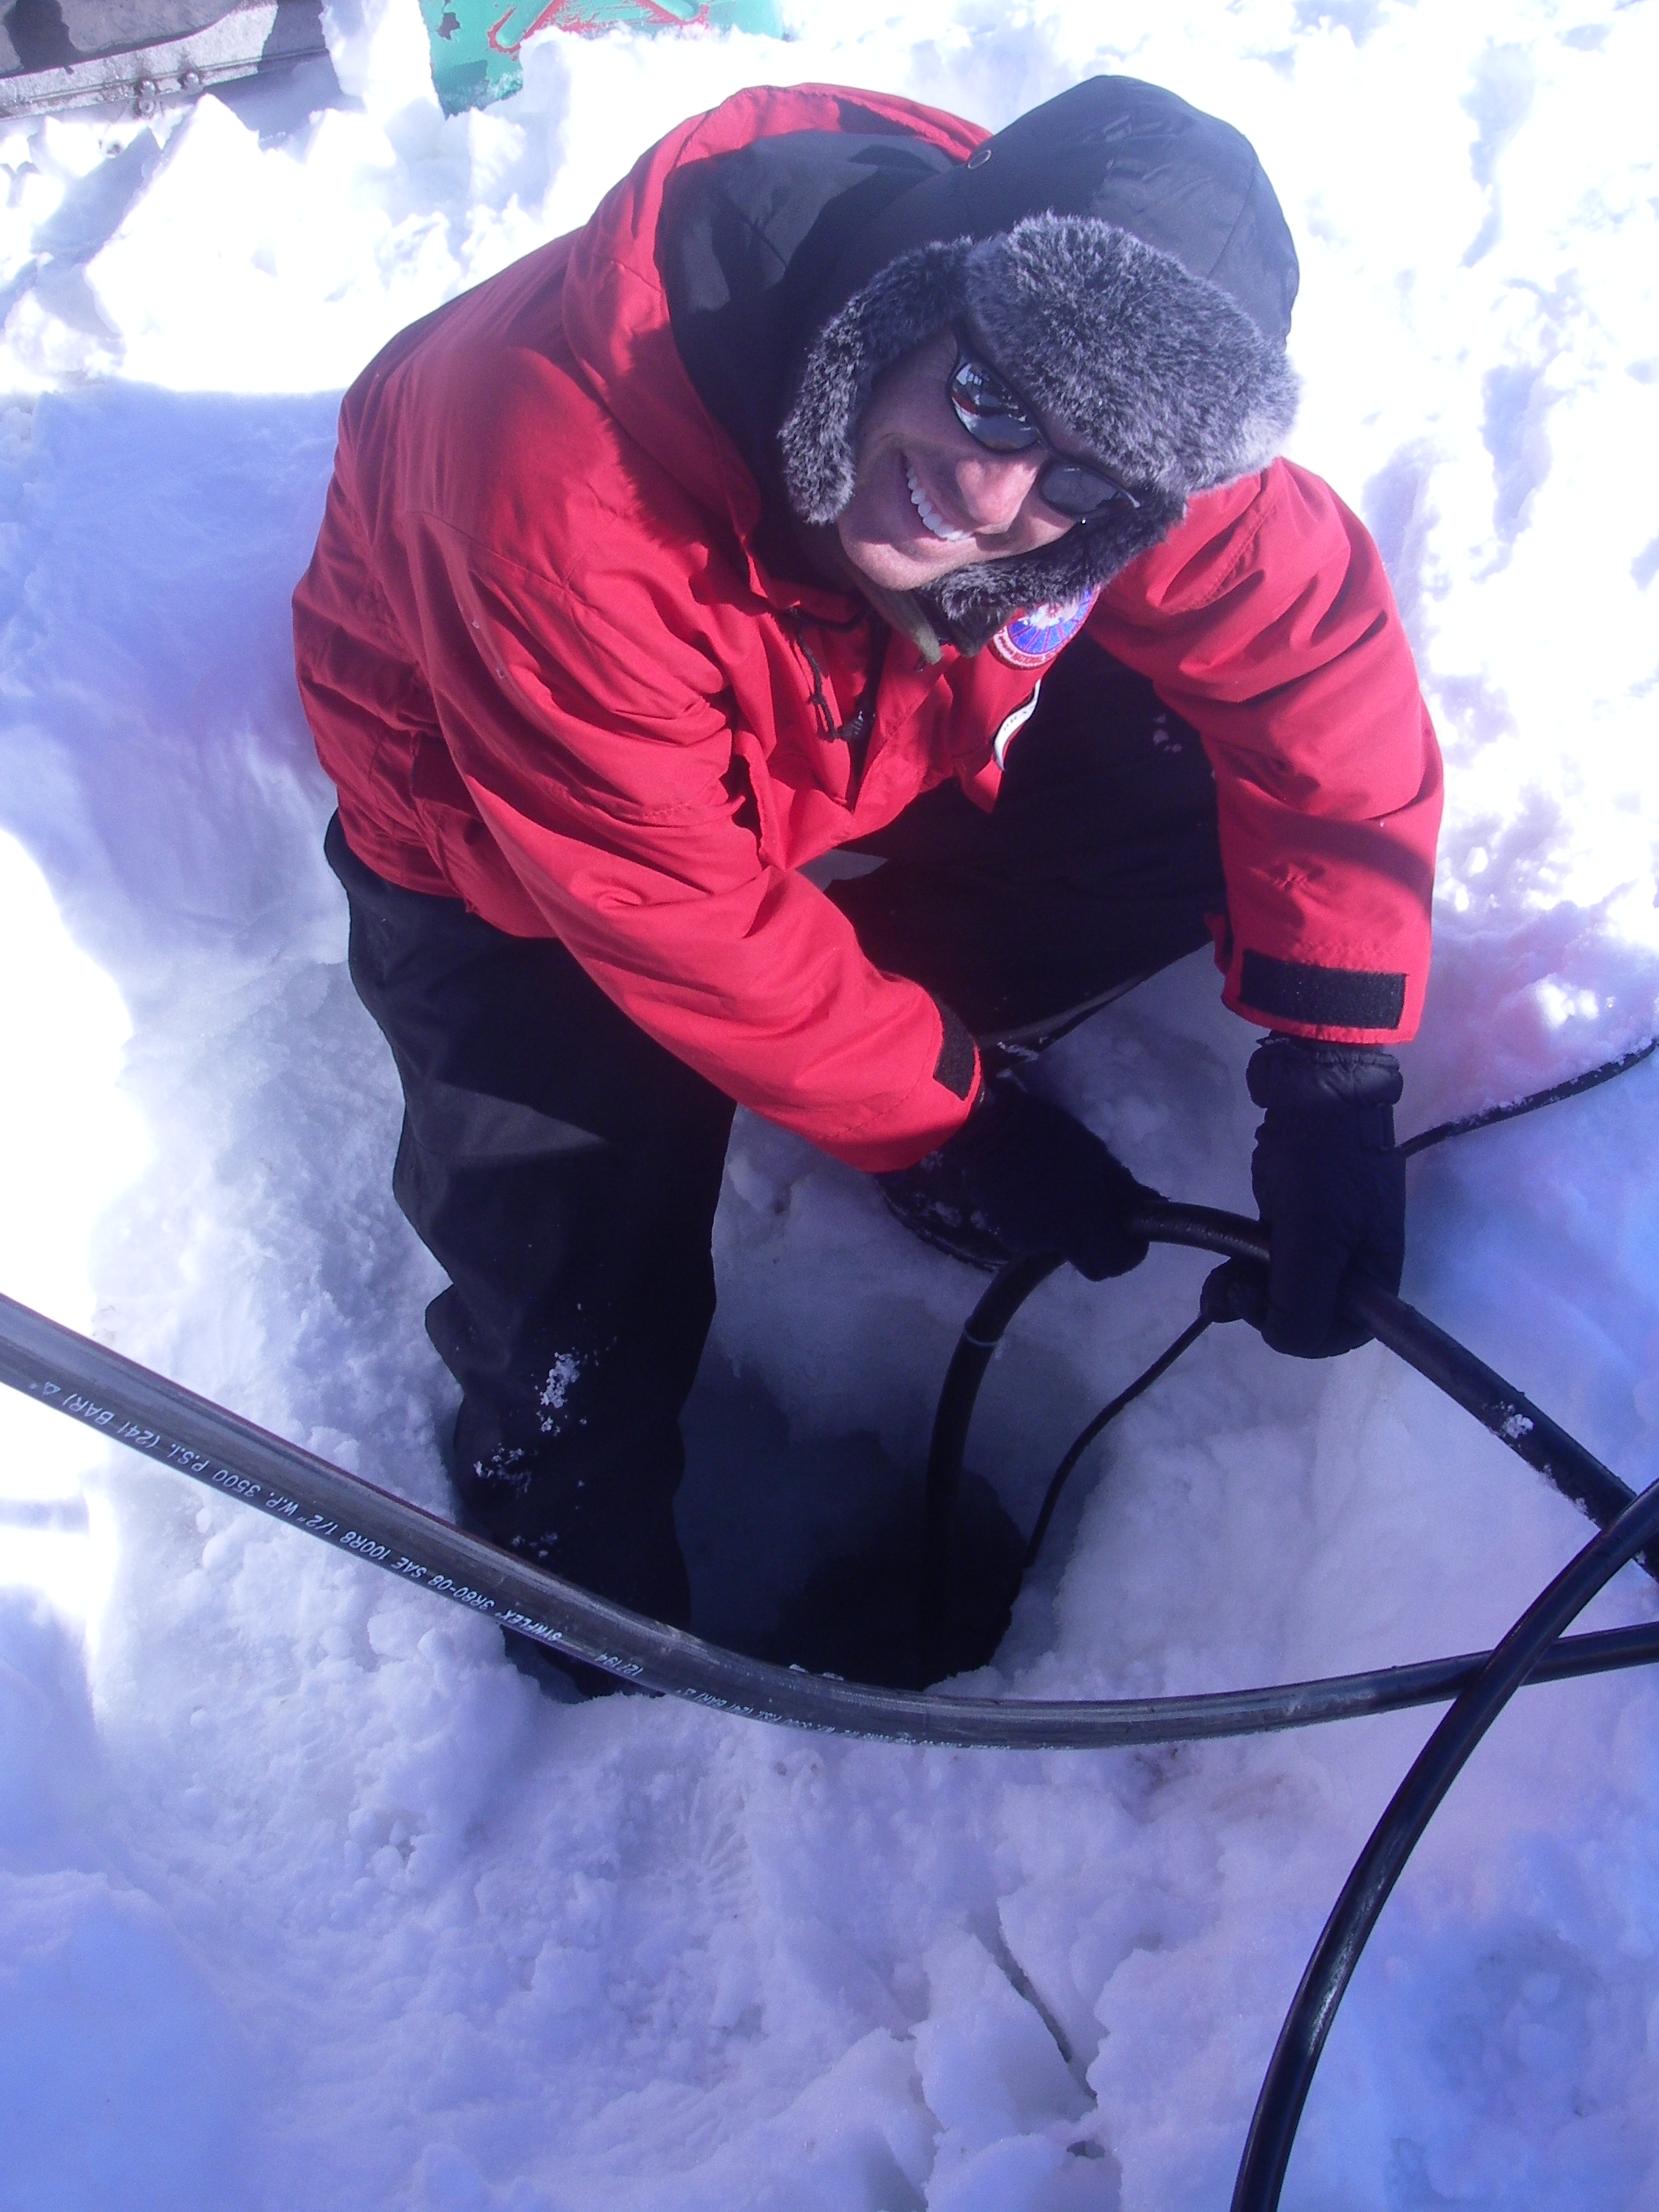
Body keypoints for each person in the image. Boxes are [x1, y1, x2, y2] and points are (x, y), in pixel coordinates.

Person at [293, 75, 1441, 1668]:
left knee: (1191, 783)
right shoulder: (553, 467)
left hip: (839, 728)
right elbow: (673, 913)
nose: (992, 495)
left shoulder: (1098, 399)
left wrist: (1335, 1067)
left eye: (1083, 485)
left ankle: (870, 1028)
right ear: (921, 284)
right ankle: (586, 1657)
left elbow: (1311, 656)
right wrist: (950, 1121)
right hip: (511, 843)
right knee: (577, 1328)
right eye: (987, 400)